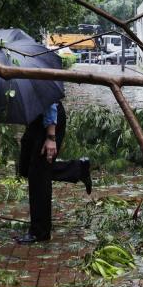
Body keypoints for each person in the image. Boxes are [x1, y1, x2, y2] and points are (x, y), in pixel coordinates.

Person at [16, 101, 91, 243]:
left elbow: (49, 100)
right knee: (26, 168)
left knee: (38, 176)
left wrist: (51, 136)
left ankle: (40, 232)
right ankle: (79, 169)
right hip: (35, 117)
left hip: (49, 120)